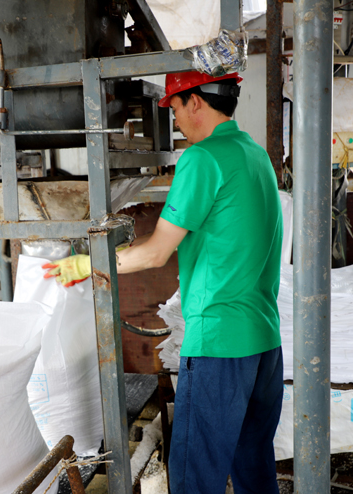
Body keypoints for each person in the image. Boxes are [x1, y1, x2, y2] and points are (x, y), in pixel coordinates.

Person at [43, 70, 283, 493]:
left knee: (194, 477)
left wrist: (88, 263)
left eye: (174, 109)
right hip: (264, 342)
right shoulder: (254, 154)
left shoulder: (202, 158)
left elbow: (157, 252)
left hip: (218, 345)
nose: (176, 121)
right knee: (254, 467)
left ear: (195, 102)